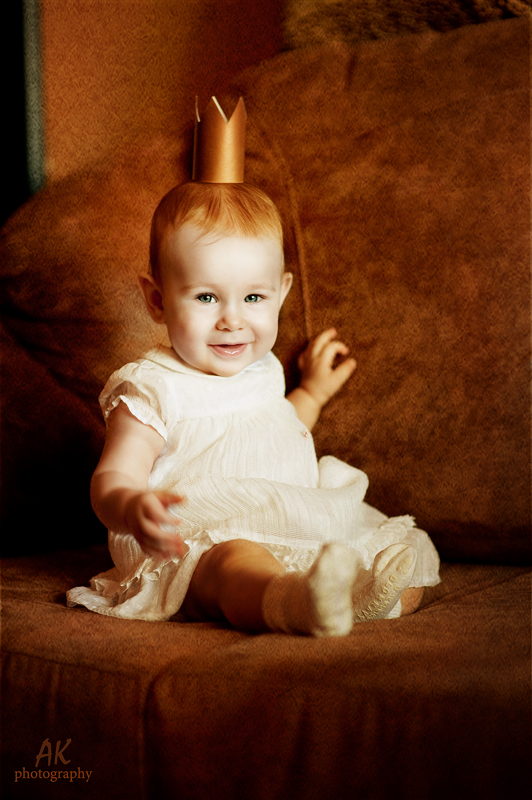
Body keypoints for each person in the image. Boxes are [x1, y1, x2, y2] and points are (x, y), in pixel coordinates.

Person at [67, 180, 440, 636]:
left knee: (402, 556)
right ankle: (290, 602)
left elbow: (274, 428)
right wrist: (130, 506)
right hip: (194, 542)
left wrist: (312, 394)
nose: (232, 319)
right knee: (233, 562)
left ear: (281, 293)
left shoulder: (263, 369)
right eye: (206, 297)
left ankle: (353, 600)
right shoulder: (153, 388)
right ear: (157, 300)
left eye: (253, 298)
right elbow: (111, 476)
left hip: (289, 521)